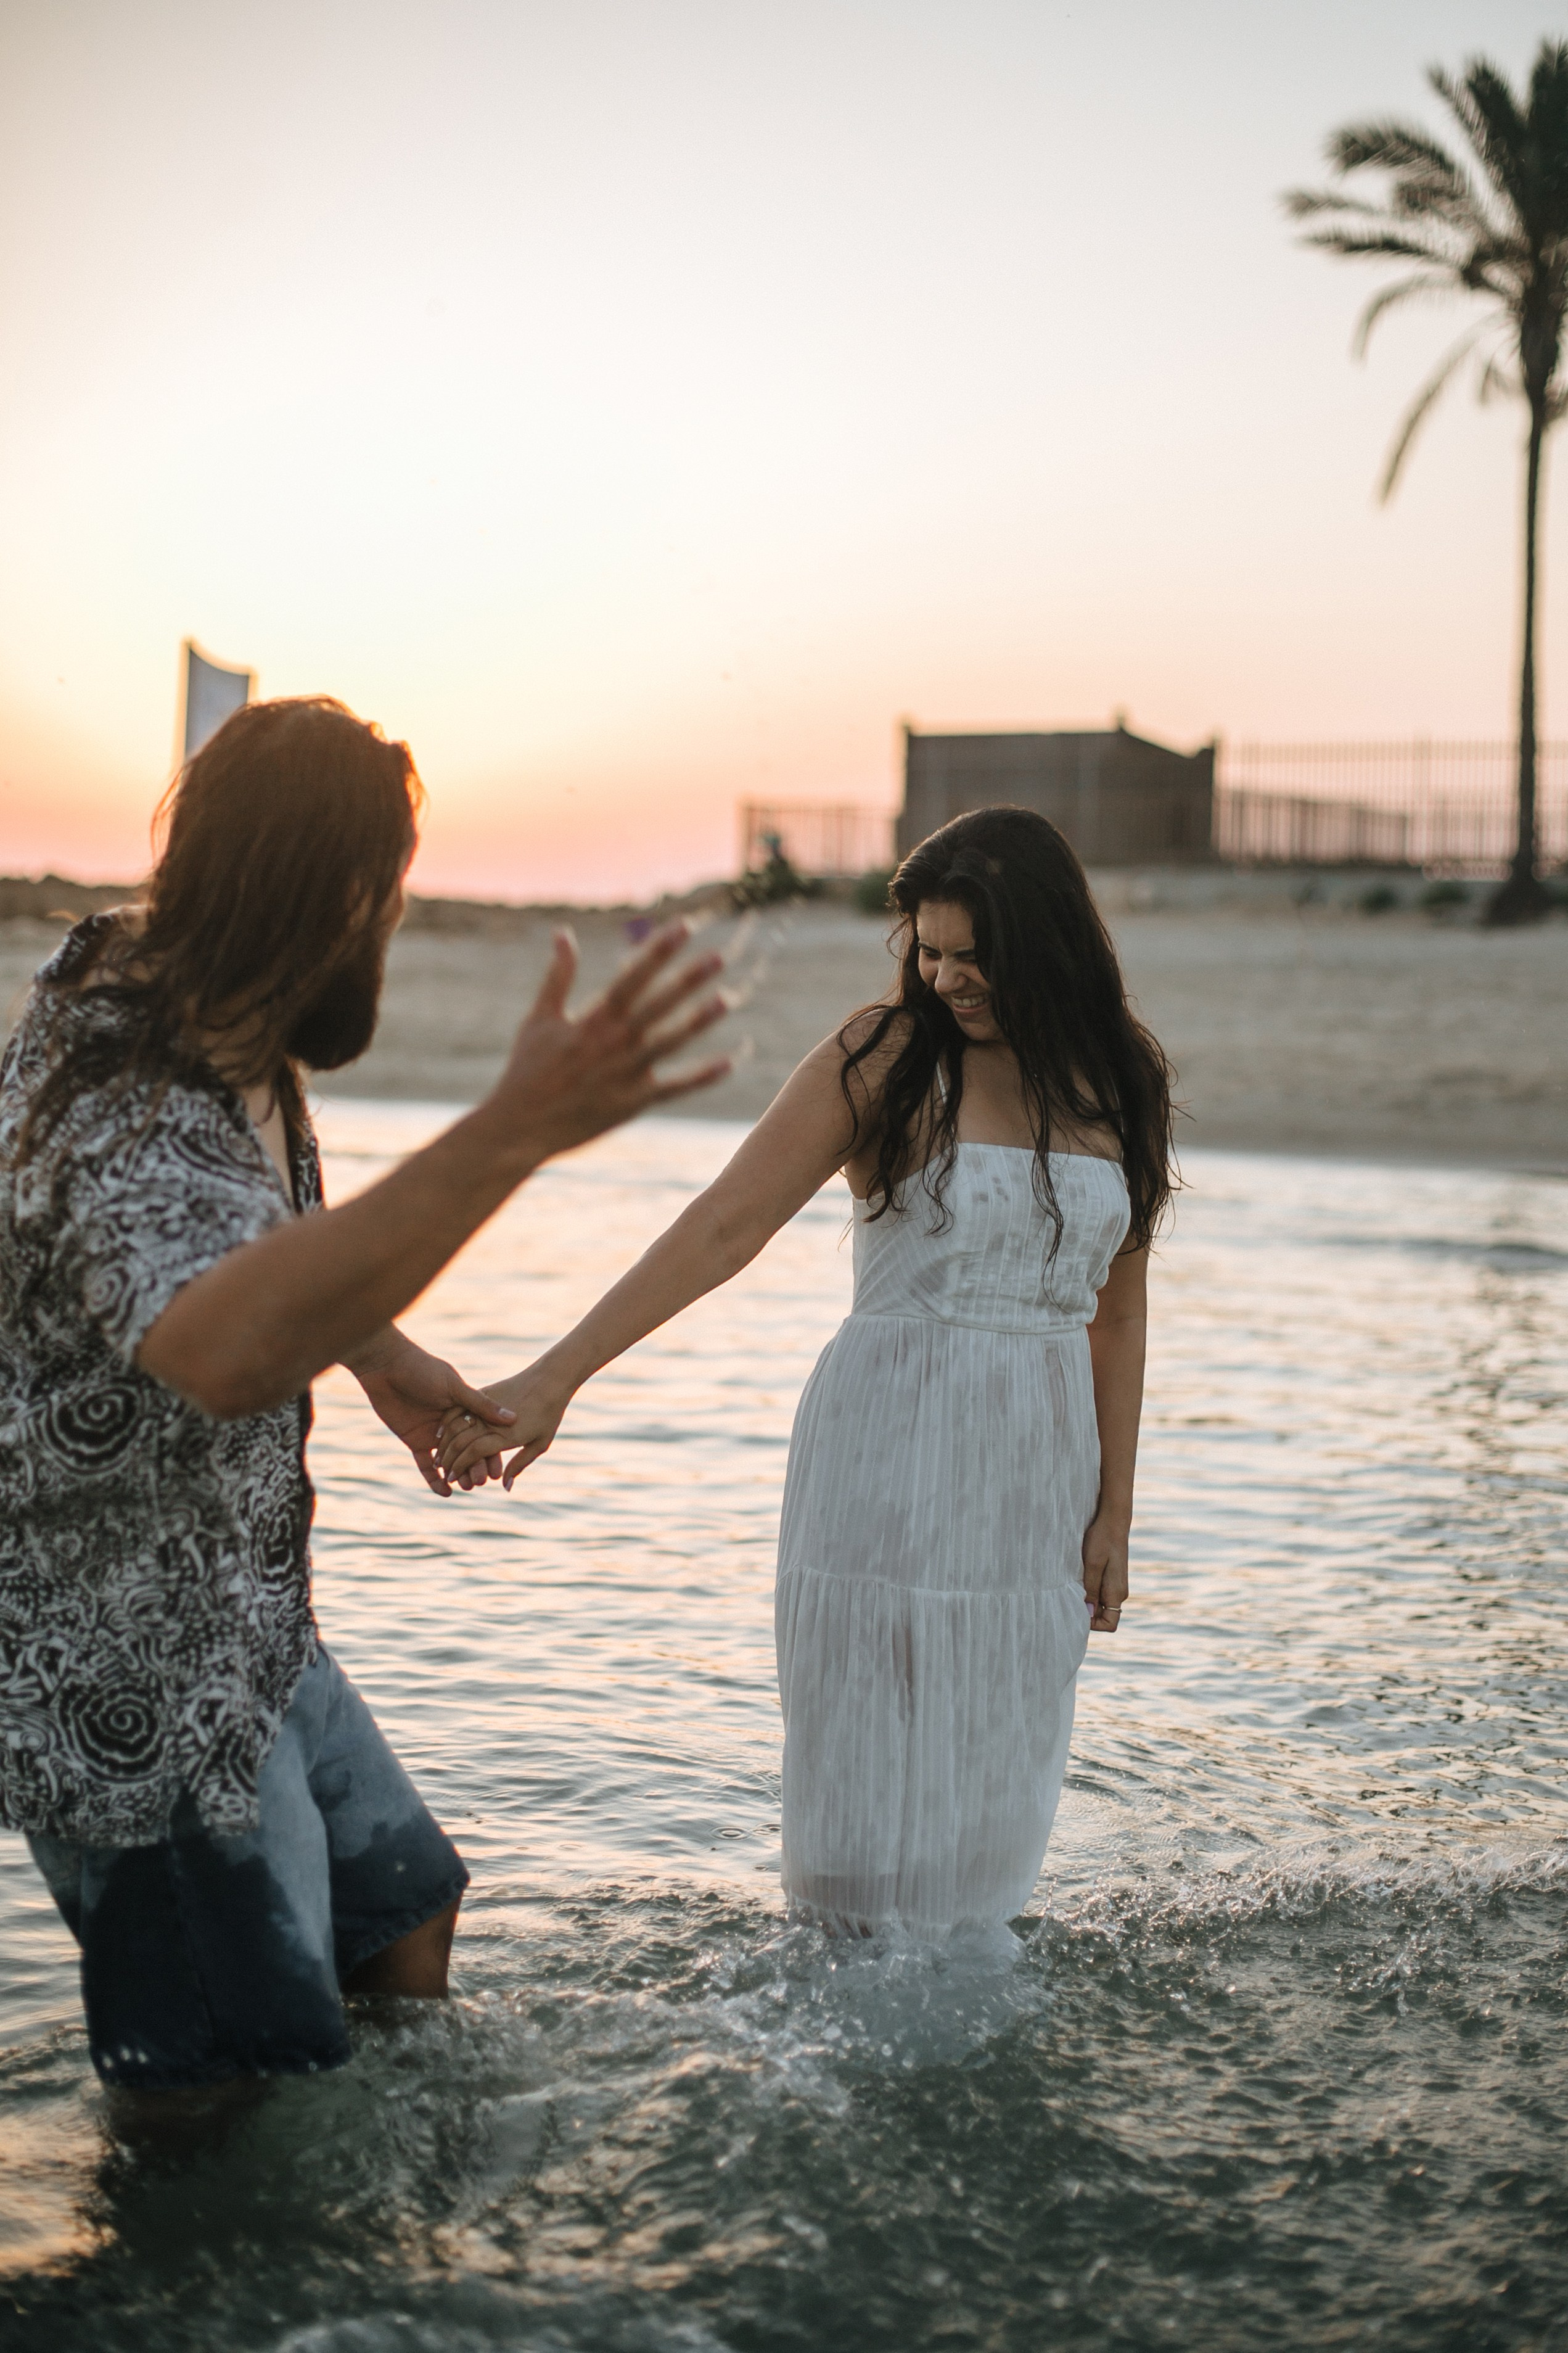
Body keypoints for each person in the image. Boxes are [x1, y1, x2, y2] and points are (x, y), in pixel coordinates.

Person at [0, 695, 728, 2104]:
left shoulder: (212, 1009)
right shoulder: (120, 1086)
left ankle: (378, 2225)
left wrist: (382, 1358)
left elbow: (245, 1243)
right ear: (336, 897)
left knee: (404, 1918)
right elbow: (216, 1347)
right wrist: (510, 1132)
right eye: (385, 894)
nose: (389, 928)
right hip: (131, 1683)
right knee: (228, 2100)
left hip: (250, 1621)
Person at [438, 805, 1175, 1938]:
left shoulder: (1114, 1079)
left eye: (977, 956)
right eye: (929, 952)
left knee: (994, 1795)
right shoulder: (885, 1058)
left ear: (1051, 942)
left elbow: (1116, 1312)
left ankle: (958, 2056)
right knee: (855, 1810)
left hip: (1036, 1476)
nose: (949, 980)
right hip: (883, 1455)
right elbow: (724, 1227)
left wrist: (1116, 1508)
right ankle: (828, 2045)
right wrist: (556, 1377)